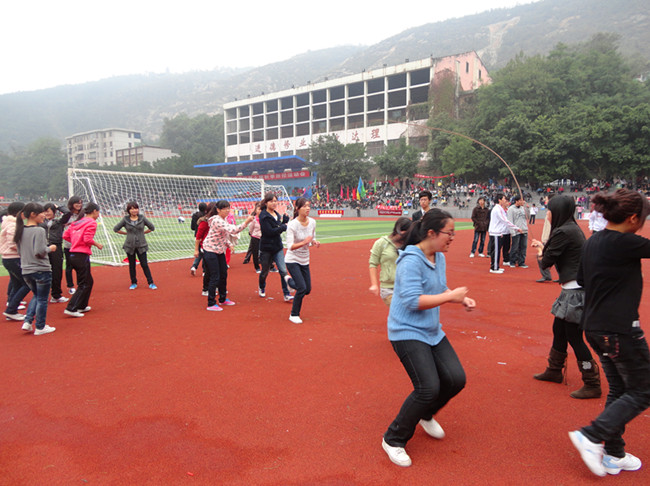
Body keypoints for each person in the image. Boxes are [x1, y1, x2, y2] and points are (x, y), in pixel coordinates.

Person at [381, 209, 476, 468]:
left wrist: (459, 298)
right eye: (449, 233)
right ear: (432, 233)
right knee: (427, 388)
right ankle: (393, 438)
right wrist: (451, 296)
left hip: (431, 331)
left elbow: (438, 288)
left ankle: (425, 413)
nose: (452, 238)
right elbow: (412, 301)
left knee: (456, 379)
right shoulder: (410, 261)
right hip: (406, 330)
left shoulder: (438, 257)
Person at [569, 189, 650, 477]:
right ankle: (591, 435)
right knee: (644, 389)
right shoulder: (625, 242)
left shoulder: (594, 241)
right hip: (619, 329)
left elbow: (581, 279)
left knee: (620, 388)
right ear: (633, 218)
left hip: (594, 327)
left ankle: (614, 454)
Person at [530, 195, 600, 399]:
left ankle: (592, 381)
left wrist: (540, 249)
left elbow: (546, 262)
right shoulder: (570, 228)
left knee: (574, 337)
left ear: (557, 211)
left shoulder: (563, 231)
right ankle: (554, 370)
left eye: (549, 210)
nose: (547, 213)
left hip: (575, 290)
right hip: (574, 288)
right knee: (559, 329)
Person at [200, 200, 254, 311]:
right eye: (225, 208)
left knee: (223, 274)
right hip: (210, 250)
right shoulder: (217, 220)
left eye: (228, 208)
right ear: (218, 210)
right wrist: (247, 221)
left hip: (219, 250)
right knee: (215, 276)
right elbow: (233, 230)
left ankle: (223, 298)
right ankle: (211, 303)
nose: (227, 210)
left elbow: (223, 236)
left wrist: (229, 244)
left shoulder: (223, 220)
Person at [14, 203, 57, 335]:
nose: (44, 215)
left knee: (37, 296)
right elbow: (39, 251)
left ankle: (28, 321)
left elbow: (19, 251)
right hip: (40, 269)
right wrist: (51, 248)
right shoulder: (39, 230)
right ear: (33, 214)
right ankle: (40, 326)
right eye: (42, 213)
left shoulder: (20, 230)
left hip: (26, 269)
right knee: (42, 299)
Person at [63, 203, 103, 317]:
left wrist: (75, 242)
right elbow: (87, 239)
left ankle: (82, 305)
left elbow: (65, 235)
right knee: (84, 283)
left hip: (73, 254)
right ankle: (71, 307)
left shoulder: (77, 222)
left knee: (88, 281)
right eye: (98, 212)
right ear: (94, 211)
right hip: (81, 255)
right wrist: (97, 244)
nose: (98, 215)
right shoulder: (91, 223)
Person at [285, 197, 320, 324]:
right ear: (297, 208)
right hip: (292, 259)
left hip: (305, 259)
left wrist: (314, 241)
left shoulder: (312, 222)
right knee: (301, 288)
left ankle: (290, 282)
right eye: (304, 206)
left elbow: (312, 236)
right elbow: (290, 246)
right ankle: (294, 314)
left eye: (308, 206)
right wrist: (304, 242)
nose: (307, 208)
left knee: (307, 289)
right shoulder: (292, 225)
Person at [258, 193, 296, 301]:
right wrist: (284, 226)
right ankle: (262, 286)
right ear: (266, 203)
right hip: (266, 248)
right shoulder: (264, 216)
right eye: (271, 201)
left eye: (275, 201)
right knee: (265, 271)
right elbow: (269, 232)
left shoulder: (276, 214)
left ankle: (286, 293)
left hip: (277, 246)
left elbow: (277, 228)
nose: (274, 203)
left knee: (283, 270)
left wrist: (284, 221)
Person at [113, 201, 157, 290]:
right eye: (132, 209)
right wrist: (126, 234)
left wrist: (142, 233)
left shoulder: (142, 218)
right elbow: (116, 229)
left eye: (136, 208)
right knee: (132, 265)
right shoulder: (125, 219)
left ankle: (151, 282)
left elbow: (152, 227)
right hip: (129, 246)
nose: (134, 210)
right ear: (128, 210)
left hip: (141, 245)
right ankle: (133, 282)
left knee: (144, 264)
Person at [368, 217, 411, 306]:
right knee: (401, 308)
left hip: (406, 287)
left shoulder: (409, 244)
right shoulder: (381, 243)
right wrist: (374, 284)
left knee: (409, 312)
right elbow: (373, 263)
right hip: (389, 288)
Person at [2, 201, 29, 321]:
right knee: (27, 283)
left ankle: (11, 307)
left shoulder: (11, 223)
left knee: (17, 283)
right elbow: (12, 244)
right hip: (12, 258)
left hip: (10, 258)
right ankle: (11, 309)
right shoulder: (13, 225)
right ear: (19, 212)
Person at [487, 193, 521, 274]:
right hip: (495, 233)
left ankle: (496, 266)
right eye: (504, 199)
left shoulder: (500, 208)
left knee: (497, 250)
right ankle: (494, 268)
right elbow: (505, 221)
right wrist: (516, 228)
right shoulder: (497, 209)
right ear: (499, 200)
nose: (505, 200)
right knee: (496, 251)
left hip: (498, 232)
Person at [42, 203, 68, 303]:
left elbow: (67, 213)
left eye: (48, 211)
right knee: (43, 271)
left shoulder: (59, 222)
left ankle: (56, 295)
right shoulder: (41, 222)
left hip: (56, 247)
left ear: (54, 212)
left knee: (56, 271)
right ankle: (42, 295)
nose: (46, 213)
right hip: (44, 247)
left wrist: (58, 207)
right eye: (45, 211)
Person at [60, 196, 84, 294]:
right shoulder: (67, 215)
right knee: (69, 266)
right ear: (72, 204)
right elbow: (61, 224)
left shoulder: (82, 215)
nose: (79, 205)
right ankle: (70, 286)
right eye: (77, 203)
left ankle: (80, 284)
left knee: (80, 266)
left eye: (80, 203)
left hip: (79, 243)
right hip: (69, 244)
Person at [507, 195, 529, 268]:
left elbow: (528, 217)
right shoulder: (511, 209)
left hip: (524, 230)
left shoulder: (523, 208)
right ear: (517, 201)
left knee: (523, 246)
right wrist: (513, 232)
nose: (523, 202)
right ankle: (512, 261)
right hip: (516, 231)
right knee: (515, 247)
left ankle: (521, 262)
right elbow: (510, 221)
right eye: (521, 200)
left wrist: (527, 208)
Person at [242, 202, 262, 273]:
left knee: (265, 252)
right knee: (255, 253)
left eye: (261, 209)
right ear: (255, 210)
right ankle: (257, 267)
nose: (260, 211)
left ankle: (268, 266)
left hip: (263, 238)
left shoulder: (264, 219)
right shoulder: (253, 219)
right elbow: (251, 229)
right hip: (255, 237)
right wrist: (252, 234)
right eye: (259, 209)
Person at [190, 202, 207, 275]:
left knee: (199, 252)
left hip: (197, 235)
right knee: (205, 253)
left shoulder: (195, 215)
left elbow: (192, 227)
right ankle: (204, 270)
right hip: (205, 236)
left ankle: (194, 266)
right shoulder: (206, 216)